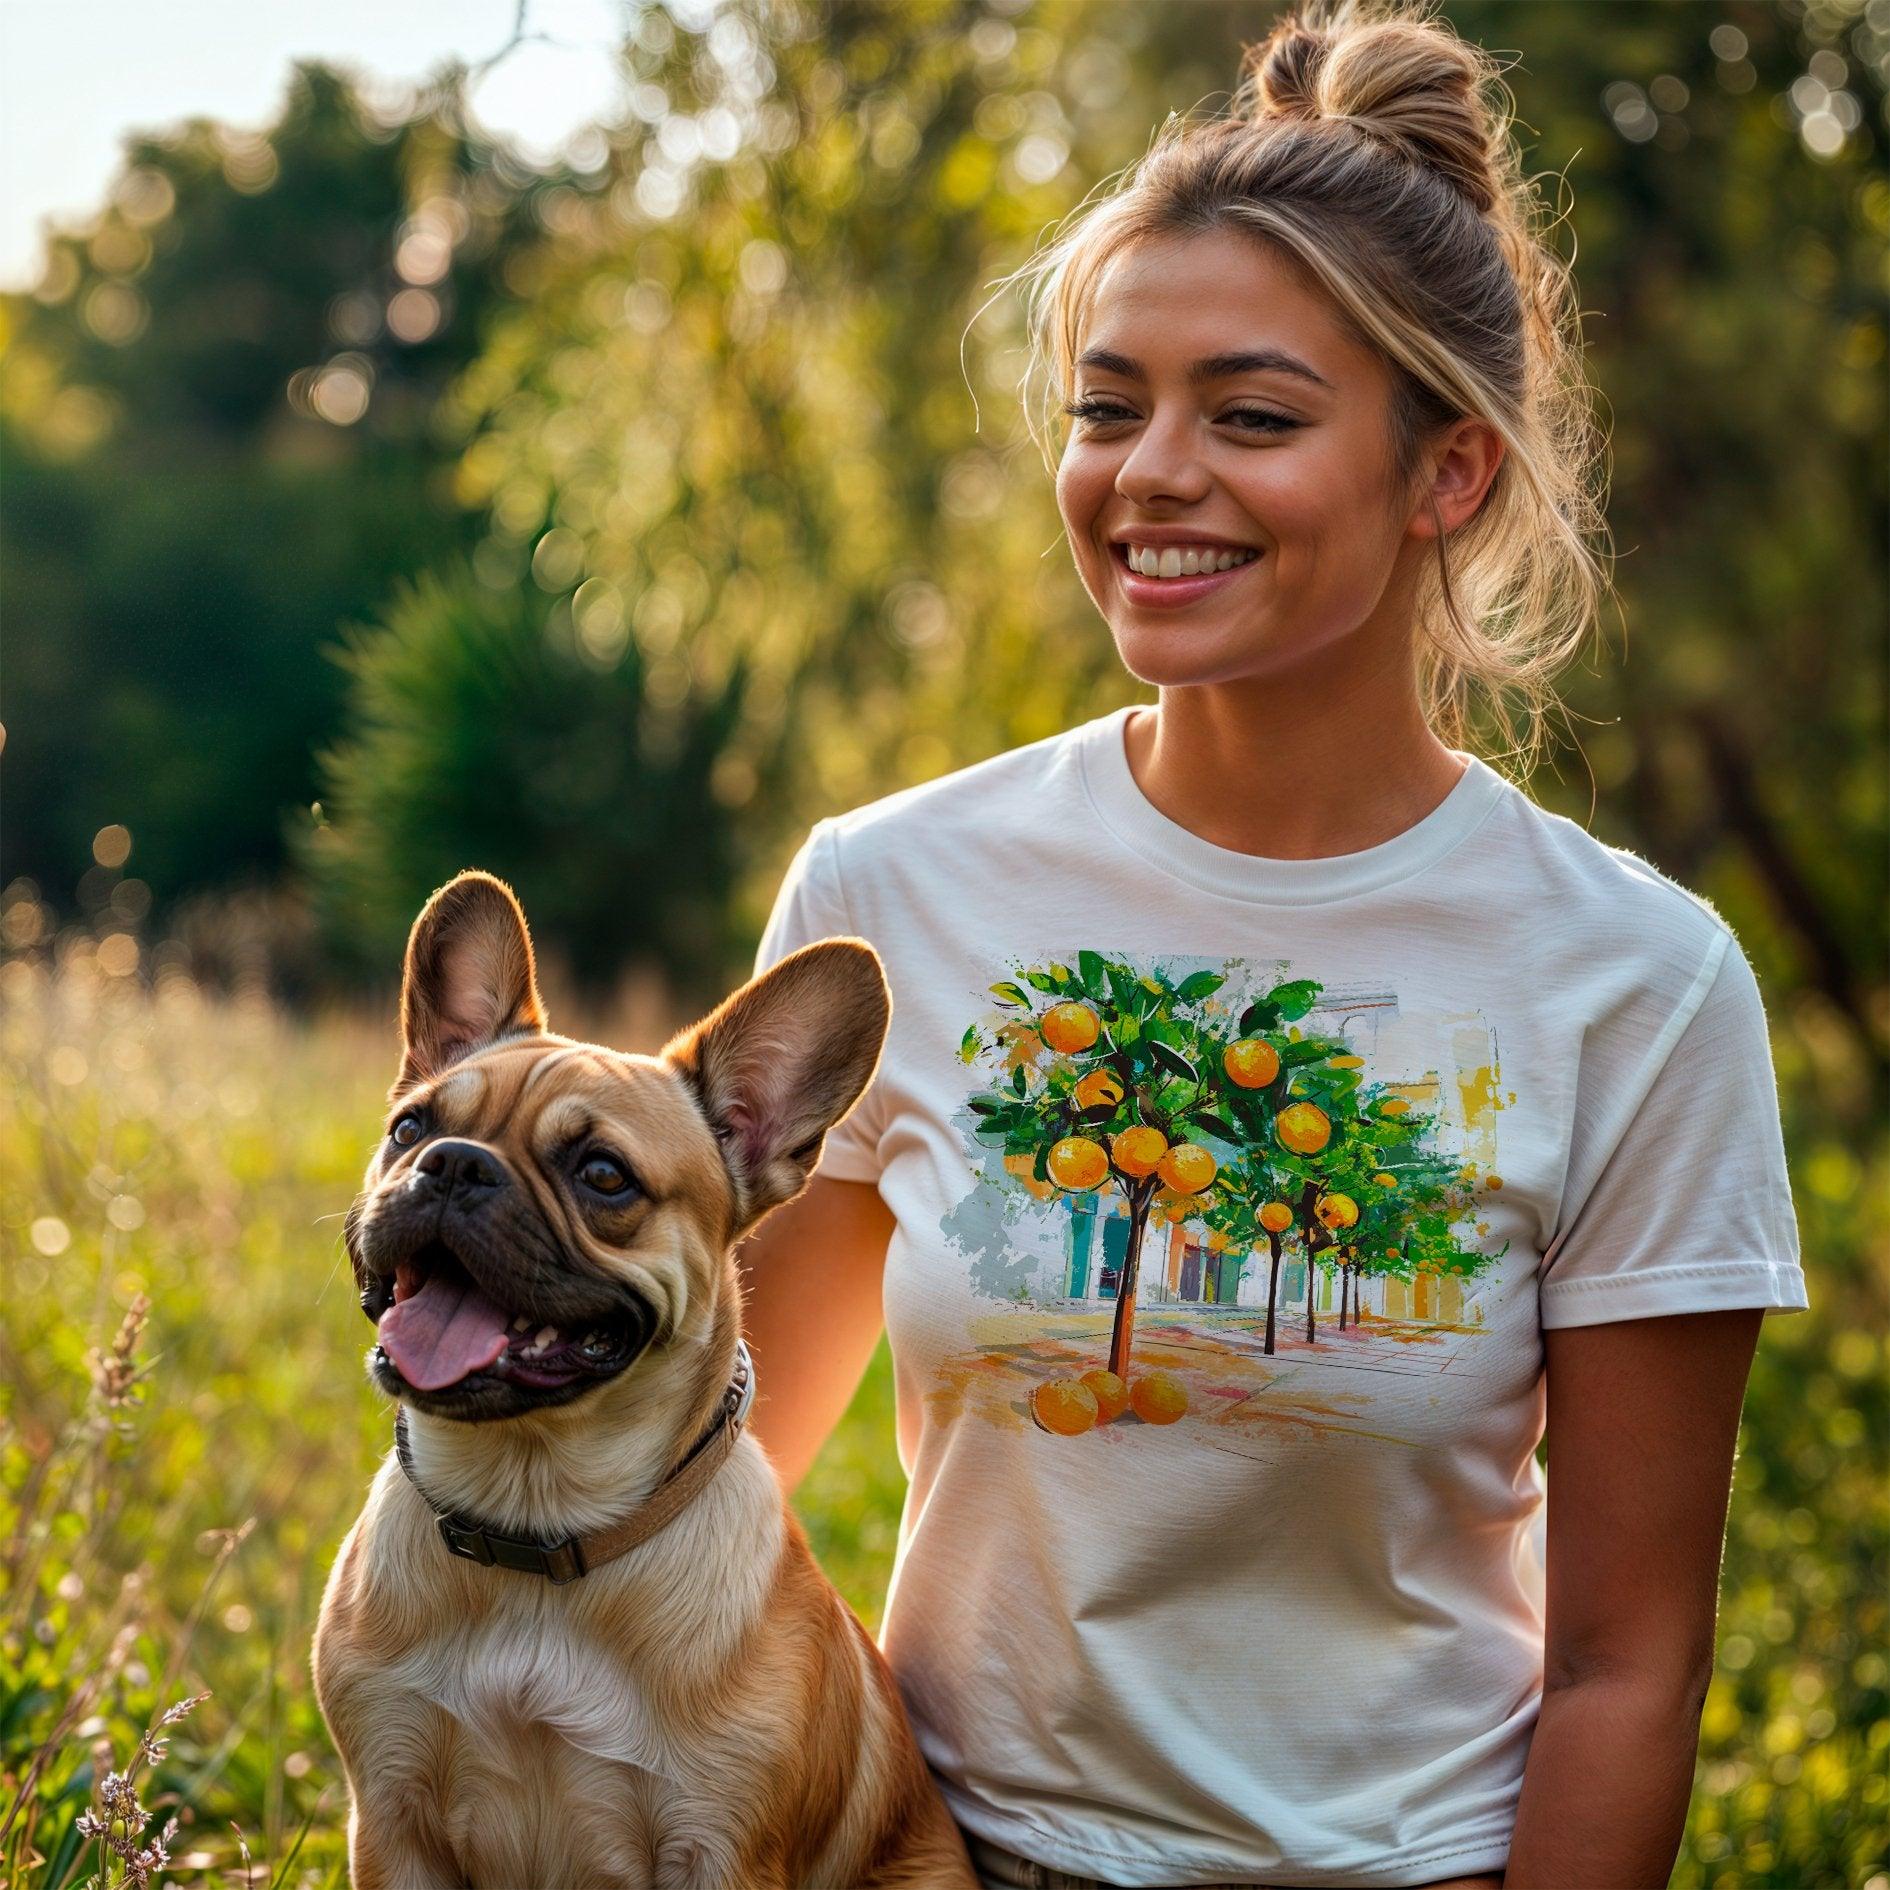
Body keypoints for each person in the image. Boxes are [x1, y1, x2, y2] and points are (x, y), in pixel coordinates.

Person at [740, 3, 1809, 1885]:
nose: (1148, 471)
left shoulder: (1632, 982)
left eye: (1248, 415)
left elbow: (1627, 1664)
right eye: (1104, 404)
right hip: (942, 1856)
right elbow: (709, 1487)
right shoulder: (889, 895)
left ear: (1447, 473)